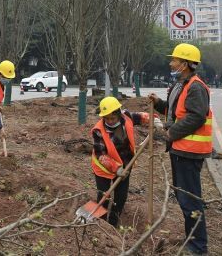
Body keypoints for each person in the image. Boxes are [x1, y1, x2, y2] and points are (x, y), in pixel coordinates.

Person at [148, 43, 212, 256]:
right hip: (180, 149)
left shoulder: (195, 86)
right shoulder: (180, 84)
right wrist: (158, 103)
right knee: (184, 196)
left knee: (190, 198)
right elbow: (175, 110)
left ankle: (197, 247)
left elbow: (196, 116)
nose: (171, 63)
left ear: (185, 64)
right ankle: (191, 240)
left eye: (174, 60)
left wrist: (171, 132)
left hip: (189, 151)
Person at [91, 97, 154, 227]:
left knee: (121, 198)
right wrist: (116, 168)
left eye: (112, 118)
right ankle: (101, 225)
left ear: (119, 114)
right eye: (106, 118)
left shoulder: (127, 116)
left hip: (125, 164)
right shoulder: (98, 131)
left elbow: (141, 117)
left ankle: (113, 224)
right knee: (104, 197)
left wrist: (154, 119)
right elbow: (100, 155)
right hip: (103, 167)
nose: (109, 121)